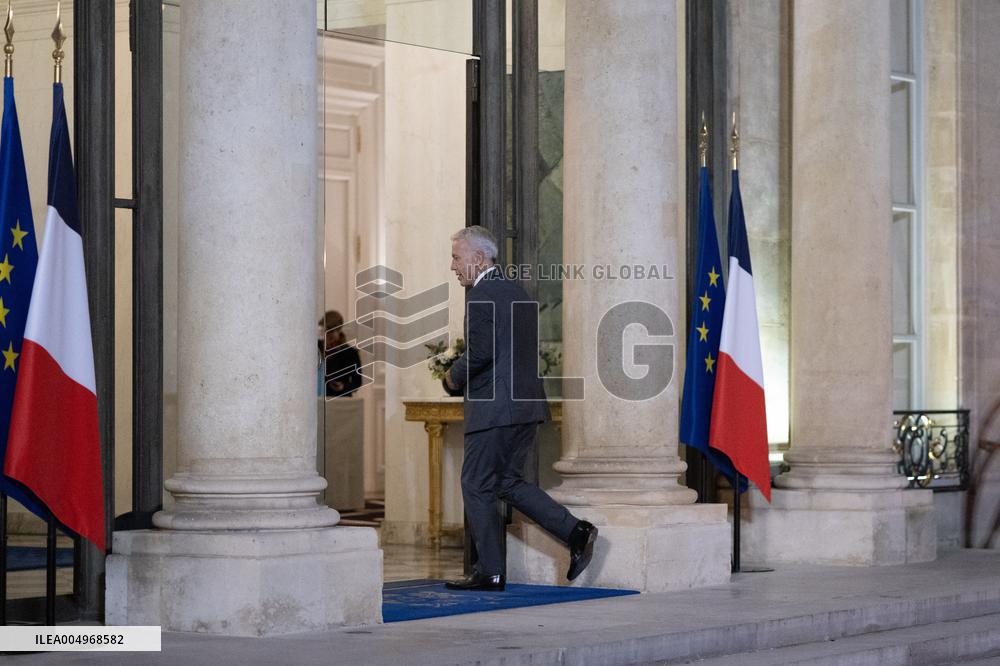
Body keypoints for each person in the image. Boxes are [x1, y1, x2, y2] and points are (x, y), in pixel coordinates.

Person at [443, 225, 597, 591]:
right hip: (526, 408)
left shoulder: (481, 296)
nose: (452, 266)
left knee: (476, 485)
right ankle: (576, 531)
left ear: (478, 258)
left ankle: (489, 572)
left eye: (456, 257)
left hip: (495, 409)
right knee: (508, 482)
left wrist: (452, 377)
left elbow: (482, 353)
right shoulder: (518, 293)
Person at [321, 310, 363, 398]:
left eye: (332, 331)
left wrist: (343, 387)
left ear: (339, 330)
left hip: (341, 401)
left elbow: (357, 382)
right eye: (326, 330)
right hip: (317, 400)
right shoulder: (316, 349)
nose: (328, 335)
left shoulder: (351, 353)